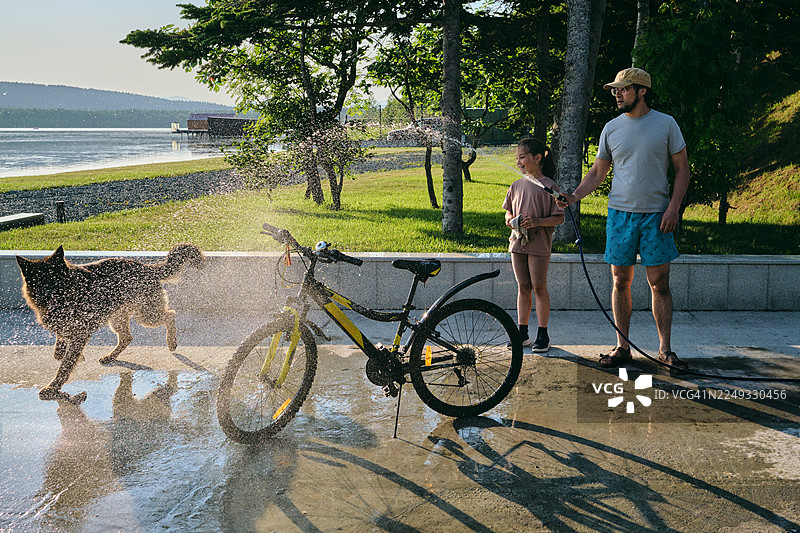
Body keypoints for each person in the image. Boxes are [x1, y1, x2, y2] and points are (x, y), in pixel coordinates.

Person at [556, 67, 690, 370]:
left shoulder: (666, 124)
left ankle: (665, 350)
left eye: (623, 89)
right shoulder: (611, 128)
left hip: (657, 215)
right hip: (620, 216)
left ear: (642, 91)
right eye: (615, 89)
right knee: (620, 281)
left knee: (659, 283)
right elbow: (597, 173)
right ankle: (622, 347)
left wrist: (673, 209)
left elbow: (682, 170)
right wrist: (574, 196)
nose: (617, 94)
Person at [503, 137, 564, 352]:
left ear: (537, 158)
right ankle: (522, 333)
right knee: (523, 286)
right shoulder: (516, 185)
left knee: (539, 286)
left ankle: (543, 335)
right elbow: (507, 211)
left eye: (523, 157)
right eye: (517, 158)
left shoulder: (549, 187)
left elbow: (559, 217)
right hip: (517, 243)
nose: (518, 162)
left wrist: (537, 222)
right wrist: (511, 219)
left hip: (539, 244)